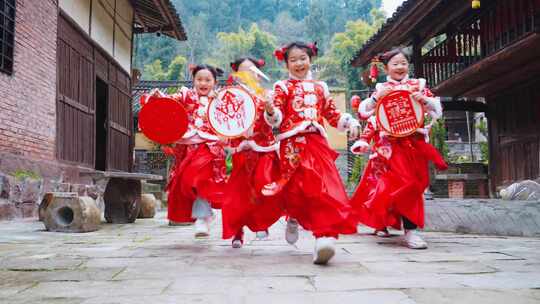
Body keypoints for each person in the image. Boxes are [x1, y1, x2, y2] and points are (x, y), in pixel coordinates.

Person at [262, 41, 360, 264]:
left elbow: (333, 115)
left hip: (317, 143)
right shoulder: (282, 88)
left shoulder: (320, 88)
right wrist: (270, 110)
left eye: (303, 58)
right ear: (286, 63)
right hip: (291, 146)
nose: (299, 63)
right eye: (293, 59)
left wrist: (350, 122)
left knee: (323, 188)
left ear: (310, 60)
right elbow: (276, 118)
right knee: (297, 190)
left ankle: (323, 238)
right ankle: (293, 217)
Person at [350, 48, 448, 249]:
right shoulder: (382, 88)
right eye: (395, 64)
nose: (400, 67)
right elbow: (367, 113)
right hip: (391, 146)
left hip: (416, 144)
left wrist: (425, 100)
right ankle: (410, 232)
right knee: (407, 184)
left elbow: (435, 109)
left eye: (403, 63)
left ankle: (398, 222)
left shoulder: (417, 85)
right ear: (386, 68)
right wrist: (377, 99)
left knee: (417, 184)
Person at [221, 57, 284, 248]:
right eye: (243, 71)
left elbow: (276, 121)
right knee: (238, 195)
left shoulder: (267, 95)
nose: (248, 74)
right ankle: (237, 233)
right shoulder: (229, 96)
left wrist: (270, 110)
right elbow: (221, 119)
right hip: (241, 151)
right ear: (236, 75)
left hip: (264, 149)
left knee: (264, 184)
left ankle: (261, 223)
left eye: (252, 70)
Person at [162, 64, 228, 238]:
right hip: (187, 145)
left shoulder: (220, 100)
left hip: (210, 147)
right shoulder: (186, 95)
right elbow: (169, 102)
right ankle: (204, 215)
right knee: (186, 181)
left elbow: (231, 120)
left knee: (200, 178)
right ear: (193, 80)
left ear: (214, 82)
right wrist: (157, 100)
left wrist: (226, 135)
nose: (203, 83)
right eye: (199, 79)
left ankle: (202, 217)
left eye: (208, 79)